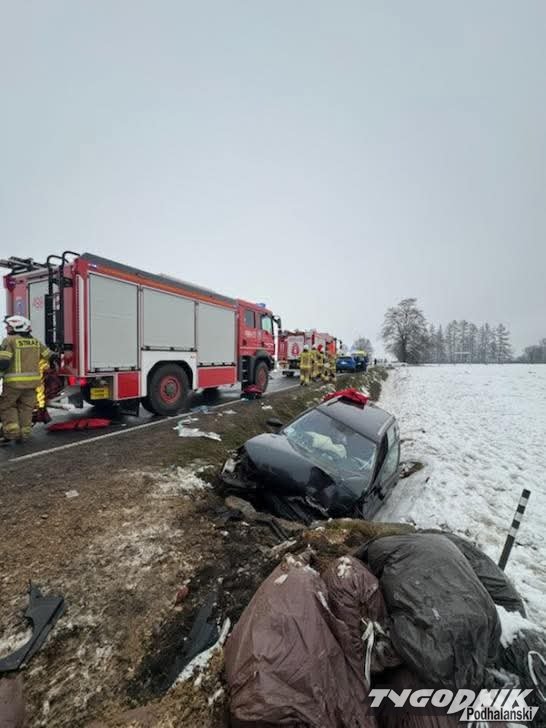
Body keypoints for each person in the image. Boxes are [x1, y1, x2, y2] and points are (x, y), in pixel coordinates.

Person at [0, 315, 53, 445]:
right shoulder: (35, 342)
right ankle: (24, 433)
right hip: (32, 384)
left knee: (7, 406)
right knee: (26, 408)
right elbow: (50, 356)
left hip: (13, 383)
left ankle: (12, 433)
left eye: (8, 326)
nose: (6, 328)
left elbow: (3, 363)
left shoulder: (9, 341)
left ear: (17, 327)